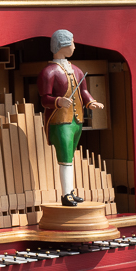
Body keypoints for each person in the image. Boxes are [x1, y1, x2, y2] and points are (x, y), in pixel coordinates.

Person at [37, 29, 104, 206]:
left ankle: (70, 191)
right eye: (71, 43)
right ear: (61, 45)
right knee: (65, 158)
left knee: (69, 158)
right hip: (61, 122)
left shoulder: (77, 70)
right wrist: (58, 101)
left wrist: (90, 102)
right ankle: (66, 195)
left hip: (76, 121)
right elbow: (45, 99)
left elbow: (83, 91)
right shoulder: (49, 72)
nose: (74, 46)